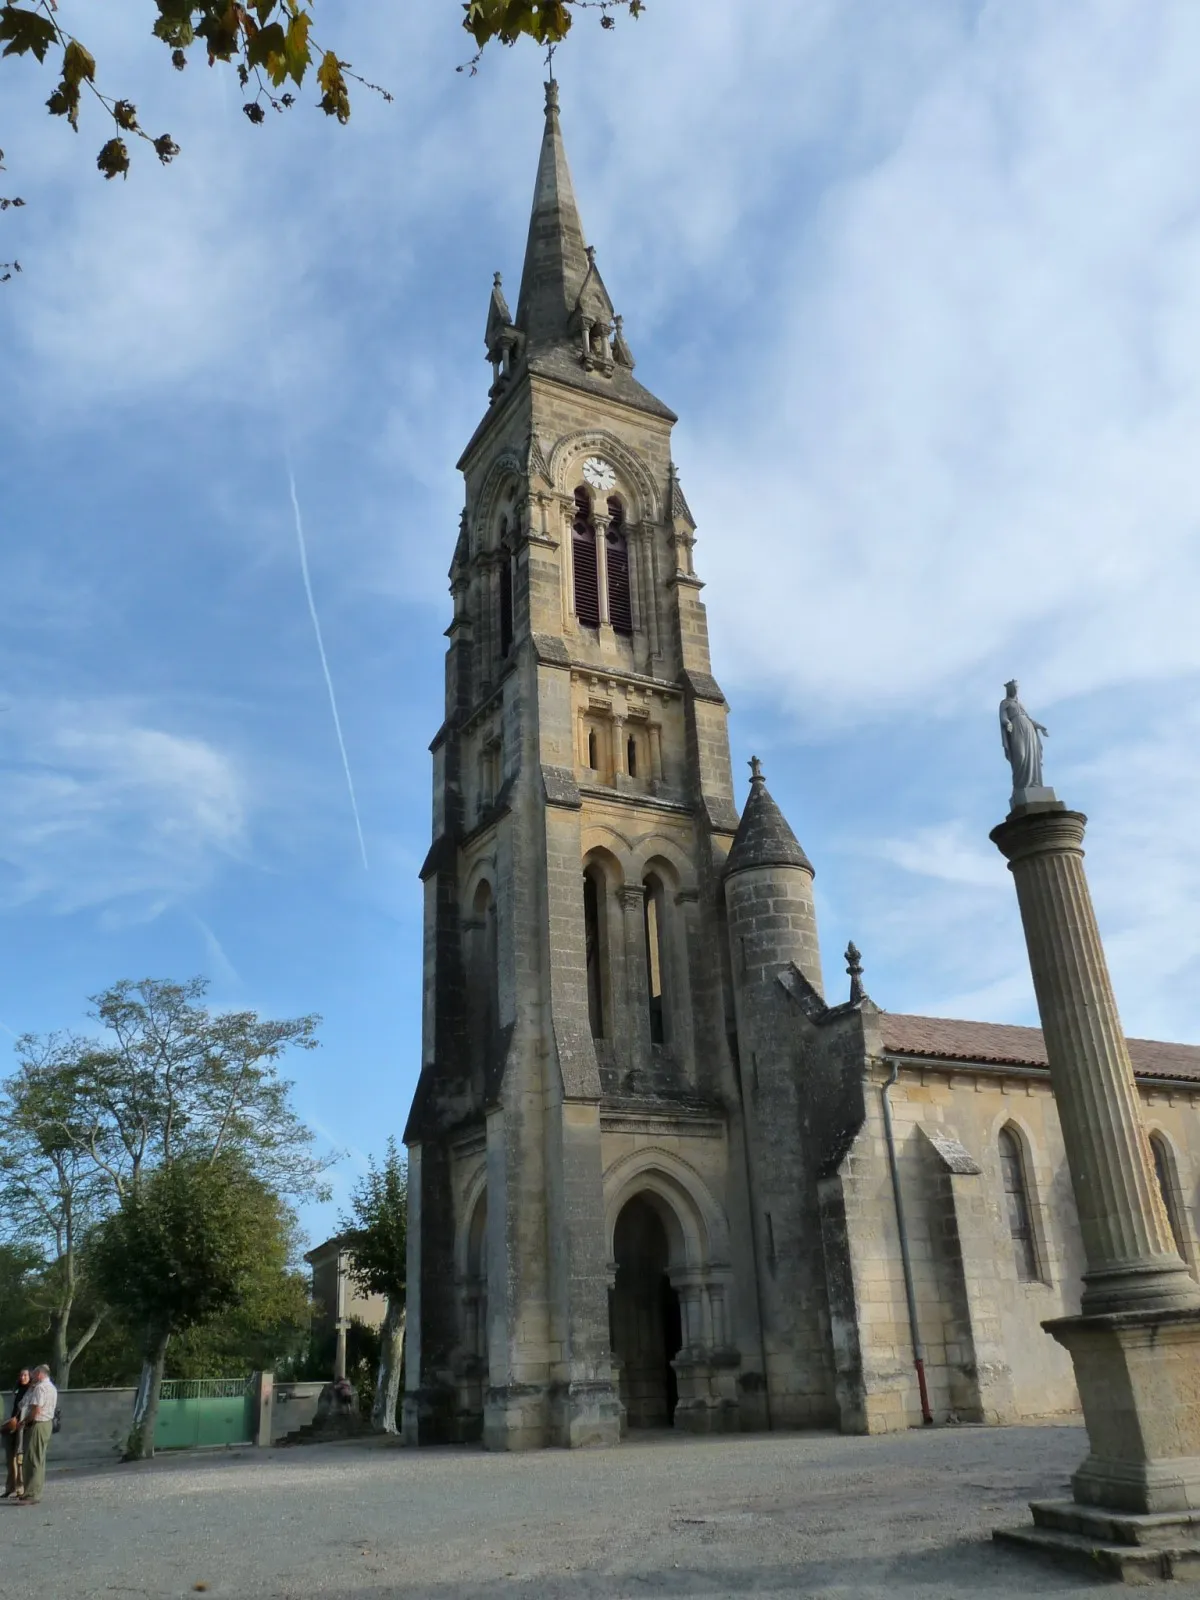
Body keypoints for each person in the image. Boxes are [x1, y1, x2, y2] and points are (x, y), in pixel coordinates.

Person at [9, 1364, 56, 1505]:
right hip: (46, 1424)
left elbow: (36, 1410)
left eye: (35, 1374)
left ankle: (32, 1494)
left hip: (39, 1424)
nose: (33, 1377)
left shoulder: (41, 1388)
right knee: (38, 1458)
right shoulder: (52, 1387)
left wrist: (24, 1421)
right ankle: (32, 1491)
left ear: (40, 1374)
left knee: (33, 1459)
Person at [2, 1369, 30, 1498]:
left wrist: (22, 1422)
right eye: (21, 1375)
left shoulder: (31, 1391)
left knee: (20, 1459)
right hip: (12, 1425)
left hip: (22, 1427)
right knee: (10, 1459)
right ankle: (10, 1487)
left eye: (25, 1375)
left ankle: (20, 1488)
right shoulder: (17, 1389)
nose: (23, 1377)